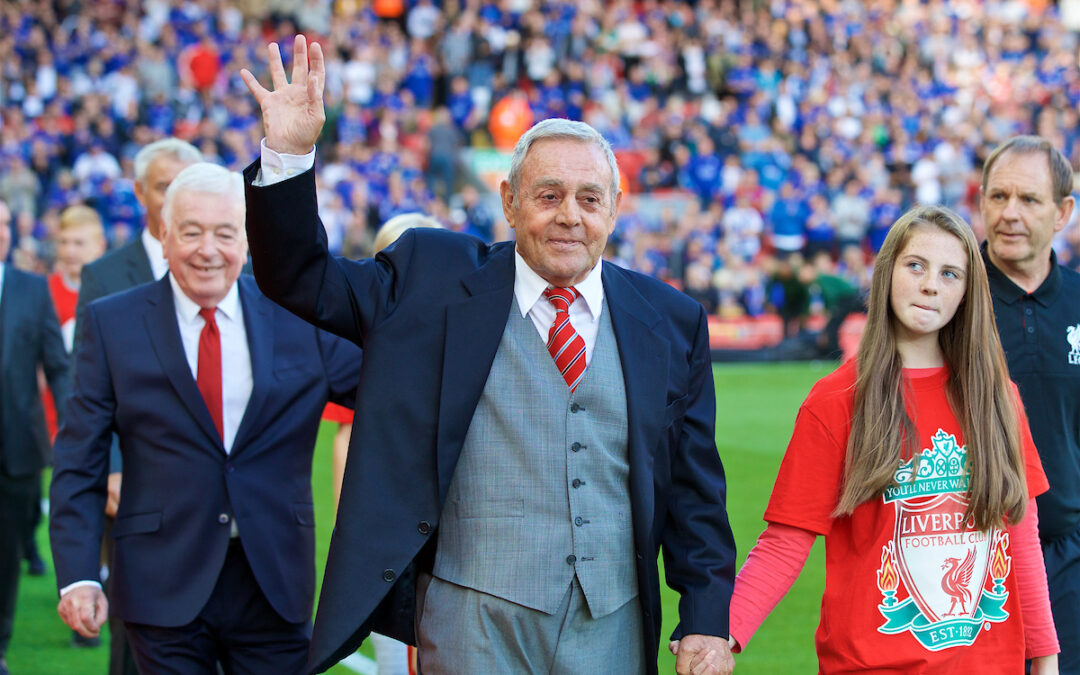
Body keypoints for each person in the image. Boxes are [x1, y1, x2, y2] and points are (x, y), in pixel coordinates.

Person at [240, 35, 736, 675]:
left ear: (614, 208)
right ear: (508, 202)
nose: (569, 217)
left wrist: (703, 621)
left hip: (612, 627)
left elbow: (695, 492)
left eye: (590, 199)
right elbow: (299, 278)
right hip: (471, 622)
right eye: (548, 195)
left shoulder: (670, 321)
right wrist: (288, 153)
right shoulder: (430, 278)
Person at [49, 163, 362, 675]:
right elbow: (79, 456)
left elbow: (382, 390)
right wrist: (80, 576)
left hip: (274, 581)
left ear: (247, 239)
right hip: (159, 579)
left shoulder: (299, 316)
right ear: (164, 236)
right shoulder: (112, 323)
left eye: (224, 233)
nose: (207, 249)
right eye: (191, 232)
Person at [725, 205, 1059, 672]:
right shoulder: (836, 400)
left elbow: (1021, 535)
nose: (930, 285)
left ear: (967, 293)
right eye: (916, 265)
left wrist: (1045, 657)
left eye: (950, 274)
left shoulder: (997, 397)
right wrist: (723, 635)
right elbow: (786, 541)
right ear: (887, 272)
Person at [72, 137, 202, 673]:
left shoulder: (233, 265)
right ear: (139, 194)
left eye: (186, 186)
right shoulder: (103, 276)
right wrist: (114, 469)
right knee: (137, 631)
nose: (176, 198)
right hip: (134, 485)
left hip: (212, 482)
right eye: (164, 187)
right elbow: (87, 391)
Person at [324, 212, 443, 675]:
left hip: (462, 526)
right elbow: (346, 435)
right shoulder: (366, 341)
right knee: (400, 652)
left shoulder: (472, 328)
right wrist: (347, 526)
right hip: (391, 524)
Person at [979, 136, 1080, 674]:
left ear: (1063, 212)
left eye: (1029, 200)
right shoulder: (949, 299)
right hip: (968, 555)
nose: (1009, 214)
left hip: (1065, 555)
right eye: (998, 197)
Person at [0, 198, 70, 675]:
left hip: (17, 451)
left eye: (4, 223)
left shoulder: (31, 289)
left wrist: (74, 428)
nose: (1, 232)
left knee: (5, 560)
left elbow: (57, 367)